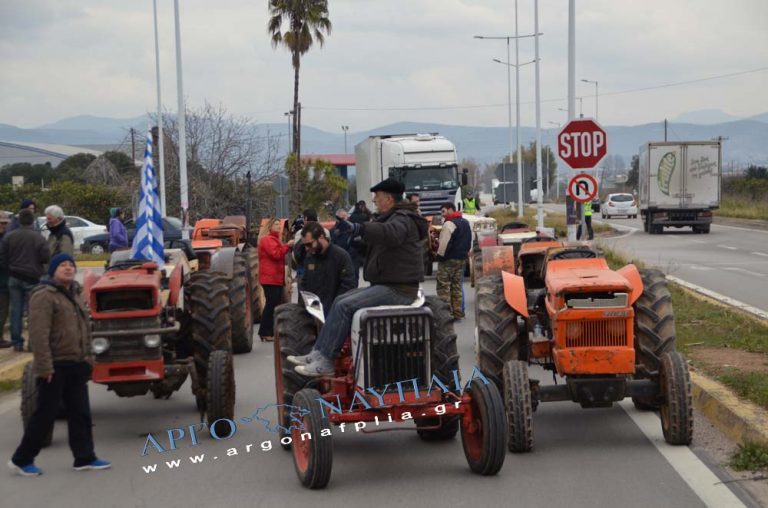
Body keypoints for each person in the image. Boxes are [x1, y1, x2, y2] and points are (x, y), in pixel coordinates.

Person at [288, 178, 428, 377]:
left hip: (399, 289)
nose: (374, 201)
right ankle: (317, 353)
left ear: (388, 199)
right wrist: (358, 243)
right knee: (340, 300)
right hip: (388, 285)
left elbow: (390, 234)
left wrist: (358, 228)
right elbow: (385, 245)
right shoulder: (392, 218)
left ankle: (326, 360)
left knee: (345, 306)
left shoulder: (403, 219)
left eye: (377, 197)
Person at [8, 253, 111, 476]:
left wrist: (88, 357)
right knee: (45, 414)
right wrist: (45, 367)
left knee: (81, 413)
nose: (67, 268)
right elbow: (38, 334)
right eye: (62, 265)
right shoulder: (44, 295)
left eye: (70, 265)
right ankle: (22, 459)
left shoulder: (74, 293)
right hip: (55, 365)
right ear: (53, 270)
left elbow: (84, 327)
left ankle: (84, 457)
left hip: (75, 363)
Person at [0, 209, 50, 352]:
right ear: (32, 221)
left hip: (14, 278)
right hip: (32, 278)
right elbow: (46, 257)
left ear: (19, 221)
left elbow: (3, 258)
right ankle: (33, 343)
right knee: (33, 312)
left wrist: (10, 270)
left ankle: (17, 342)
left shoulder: (9, 237)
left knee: (16, 311)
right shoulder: (38, 238)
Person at [296, 222, 356, 314]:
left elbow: (349, 285)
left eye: (309, 244)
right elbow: (305, 284)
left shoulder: (340, 256)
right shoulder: (310, 257)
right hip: (314, 312)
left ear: (321, 237)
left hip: (335, 312)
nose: (307, 249)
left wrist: (334, 307)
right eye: (304, 245)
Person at [258, 218, 294, 342]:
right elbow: (276, 254)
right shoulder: (267, 240)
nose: (279, 227)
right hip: (270, 278)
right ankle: (265, 332)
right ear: (270, 226)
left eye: (279, 224)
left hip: (274, 277)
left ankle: (269, 331)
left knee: (273, 303)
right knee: (271, 304)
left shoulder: (273, 239)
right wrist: (287, 246)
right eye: (276, 224)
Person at [435, 202, 471, 320]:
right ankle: (458, 313)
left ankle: (446, 314)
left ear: (451, 209)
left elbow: (444, 243)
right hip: (461, 259)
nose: (443, 215)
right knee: (457, 287)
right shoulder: (465, 222)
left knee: (443, 287)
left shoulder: (449, 224)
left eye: (443, 211)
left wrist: (439, 257)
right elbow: (469, 239)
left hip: (448, 260)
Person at [0, 213, 12, 348]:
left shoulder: (5, 238)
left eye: (5, 223)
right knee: (2, 310)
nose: (3, 226)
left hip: (4, 281)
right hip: (2, 282)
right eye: (1, 223)